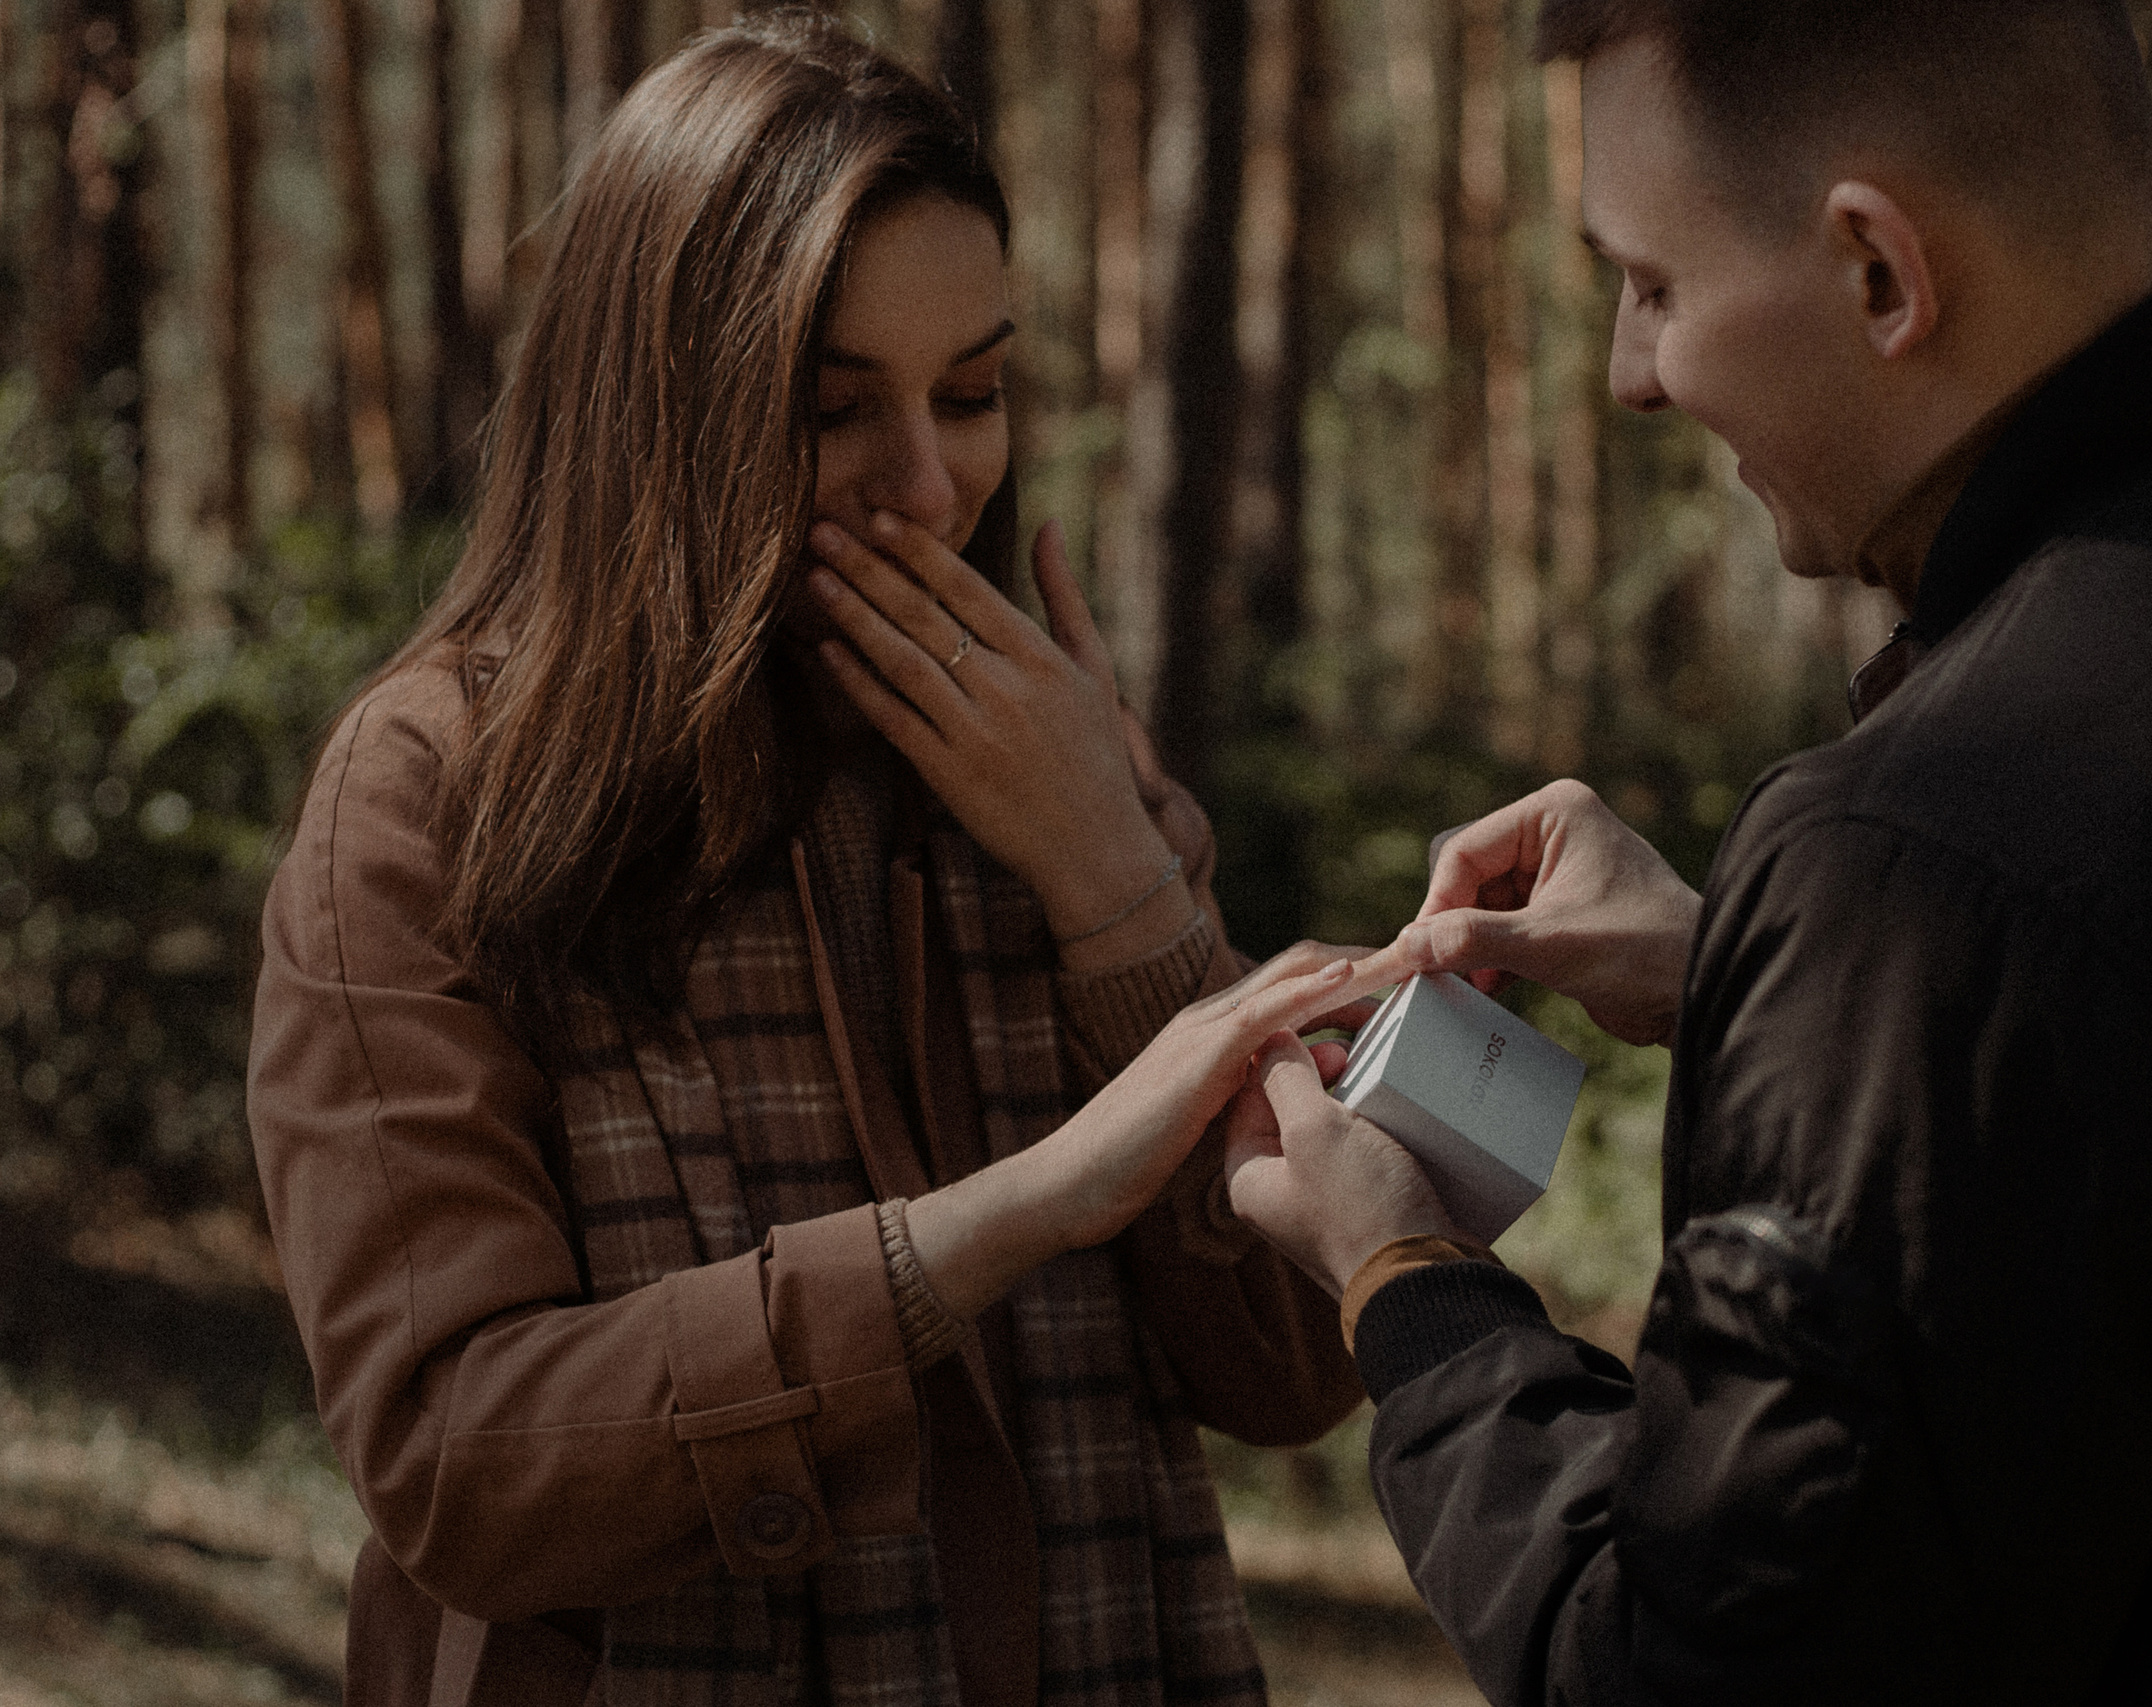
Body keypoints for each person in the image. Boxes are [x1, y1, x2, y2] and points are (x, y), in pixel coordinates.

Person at [1220, 2, 2152, 1702]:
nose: (1631, 378)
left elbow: (1701, 1669)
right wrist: (1756, 990)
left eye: (1653, 288)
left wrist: (1405, 1283)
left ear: (1878, 273)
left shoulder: (1924, 866)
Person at [246, 15, 1365, 1704]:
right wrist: (984, 1230)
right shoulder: (427, 796)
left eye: (974, 391)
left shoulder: (1050, 752)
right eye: (837, 410)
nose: (931, 486)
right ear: (660, 409)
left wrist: (1115, 889)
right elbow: (454, 1467)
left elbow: (1285, 1370)